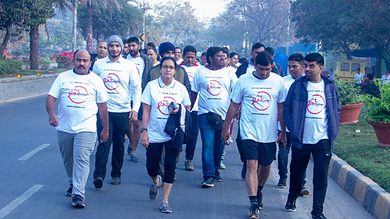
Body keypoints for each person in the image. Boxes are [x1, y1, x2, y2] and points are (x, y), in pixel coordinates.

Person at [222, 51, 287, 219]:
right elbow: (233, 105)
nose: (264, 73)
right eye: (260, 69)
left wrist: (283, 131)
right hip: (248, 130)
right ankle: (253, 203)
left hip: (269, 132)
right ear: (254, 65)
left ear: (272, 66)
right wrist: (225, 127)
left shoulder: (278, 82)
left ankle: (258, 191)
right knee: (251, 164)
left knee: (265, 166)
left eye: (267, 69)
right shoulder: (244, 80)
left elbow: (281, 108)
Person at [46, 50, 109, 208]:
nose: (81, 63)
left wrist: (105, 129)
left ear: (90, 63)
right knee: (68, 159)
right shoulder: (63, 77)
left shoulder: (96, 80)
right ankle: (72, 182)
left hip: (86, 128)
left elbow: (102, 107)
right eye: (79, 60)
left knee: (81, 159)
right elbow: (51, 98)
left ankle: (78, 194)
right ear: (73, 61)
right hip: (64, 128)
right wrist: (52, 114)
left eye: (85, 61)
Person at [284, 53, 340, 219]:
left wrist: (333, 129)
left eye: (311, 66)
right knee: (296, 171)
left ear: (320, 67)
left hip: (322, 138)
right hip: (301, 137)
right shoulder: (298, 85)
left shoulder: (329, 86)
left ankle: (317, 211)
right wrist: (292, 128)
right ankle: (292, 197)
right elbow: (287, 108)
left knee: (321, 176)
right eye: (306, 65)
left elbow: (337, 108)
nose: (307, 69)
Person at [141, 56, 191, 213]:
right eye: (165, 67)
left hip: (173, 134)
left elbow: (187, 109)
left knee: (170, 167)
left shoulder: (180, 88)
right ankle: (156, 180)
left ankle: (165, 201)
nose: (167, 69)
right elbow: (146, 110)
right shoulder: (151, 86)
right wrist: (144, 131)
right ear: (160, 69)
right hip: (154, 132)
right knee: (151, 166)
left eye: (171, 67)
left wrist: (178, 110)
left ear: (175, 70)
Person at [92, 35, 141, 188]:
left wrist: (135, 109)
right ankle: (99, 175)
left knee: (119, 144)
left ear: (121, 48)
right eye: (111, 46)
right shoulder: (99, 65)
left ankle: (116, 174)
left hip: (122, 111)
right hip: (104, 111)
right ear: (107, 47)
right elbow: (93, 86)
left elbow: (136, 89)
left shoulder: (129, 66)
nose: (114, 49)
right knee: (103, 142)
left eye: (117, 46)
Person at [191, 46, 237, 188]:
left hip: (224, 115)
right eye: (219, 56)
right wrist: (188, 109)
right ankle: (208, 175)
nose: (222, 59)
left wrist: (236, 111)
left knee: (220, 144)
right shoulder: (200, 72)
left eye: (224, 56)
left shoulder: (230, 72)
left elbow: (237, 93)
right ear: (210, 58)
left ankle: (216, 170)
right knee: (208, 145)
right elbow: (194, 92)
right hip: (205, 113)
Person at [276, 53, 309, 196]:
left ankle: (301, 184)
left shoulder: (309, 83)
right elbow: (279, 106)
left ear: (302, 67)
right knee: (283, 154)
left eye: (294, 66)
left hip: (301, 129)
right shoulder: (282, 82)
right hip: (284, 127)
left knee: (301, 157)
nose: (291, 69)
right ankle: (283, 176)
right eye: (289, 66)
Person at [126, 36, 153, 162]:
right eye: (129, 46)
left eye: (133, 46)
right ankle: (131, 142)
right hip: (125, 96)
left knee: (137, 124)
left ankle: (133, 150)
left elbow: (150, 78)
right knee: (127, 124)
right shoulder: (124, 60)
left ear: (138, 46)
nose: (131, 48)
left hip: (140, 96)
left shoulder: (146, 60)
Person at [180, 45, 200, 171]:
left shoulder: (200, 70)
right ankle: (175, 156)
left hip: (196, 108)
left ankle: (189, 159)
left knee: (193, 135)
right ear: (183, 56)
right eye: (188, 57)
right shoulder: (179, 69)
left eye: (192, 57)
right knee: (178, 133)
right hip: (180, 107)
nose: (190, 60)